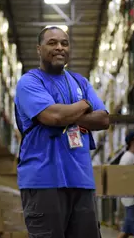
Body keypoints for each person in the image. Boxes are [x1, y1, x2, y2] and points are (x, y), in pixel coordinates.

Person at [14, 26, 110, 238]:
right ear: (39, 49)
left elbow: (103, 119)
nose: (59, 47)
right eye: (52, 43)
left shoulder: (80, 82)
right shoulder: (29, 82)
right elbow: (53, 116)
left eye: (64, 43)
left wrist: (67, 113)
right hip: (43, 181)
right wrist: (85, 104)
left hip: (81, 181)